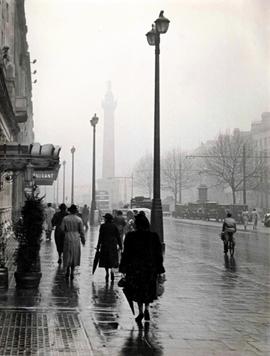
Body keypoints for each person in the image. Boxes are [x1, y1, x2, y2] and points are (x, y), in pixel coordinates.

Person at [119, 212, 165, 325]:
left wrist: (123, 268)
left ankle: (140, 312)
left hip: (135, 269)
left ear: (136, 225)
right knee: (148, 289)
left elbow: (126, 254)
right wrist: (160, 270)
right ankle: (147, 309)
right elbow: (158, 255)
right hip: (150, 269)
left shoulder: (130, 236)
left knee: (138, 291)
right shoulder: (154, 236)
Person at [61, 204, 85, 279]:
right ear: (76, 211)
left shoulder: (65, 218)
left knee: (67, 254)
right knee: (75, 254)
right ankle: (72, 272)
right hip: (76, 238)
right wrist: (83, 240)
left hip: (67, 237)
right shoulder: (79, 219)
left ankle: (67, 270)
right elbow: (82, 231)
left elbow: (62, 229)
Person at [96, 213, 122, 282]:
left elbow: (100, 237)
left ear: (106, 219)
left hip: (104, 245)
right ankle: (112, 272)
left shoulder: (103, 226)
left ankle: (107, 273)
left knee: (105, 260)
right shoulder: (114, 226)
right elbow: (118, 237)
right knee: (112, 260)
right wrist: (120, 246)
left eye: (105, 218)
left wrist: (98, 246)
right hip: (113, 245)